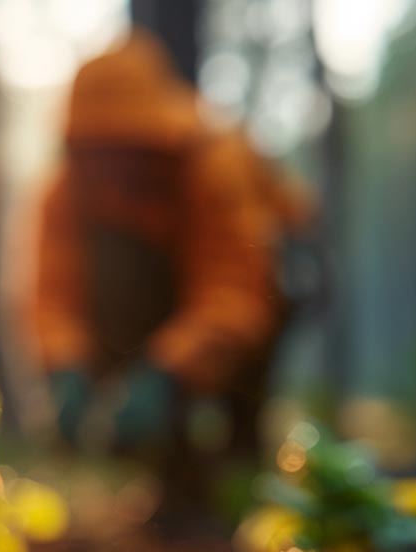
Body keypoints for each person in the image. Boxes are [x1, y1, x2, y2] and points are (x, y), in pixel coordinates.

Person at [19, 30, 310, 472]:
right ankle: (174, 475)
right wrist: (65, 366)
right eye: (96, 148)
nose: (109, 168)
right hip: (172, 302)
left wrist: (167, 371)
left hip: (265, 287)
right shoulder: (67, 191)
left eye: (120, 145)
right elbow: (53, 290)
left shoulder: (214, 165)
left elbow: (237, 291)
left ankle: (243, 470)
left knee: (243, 392)